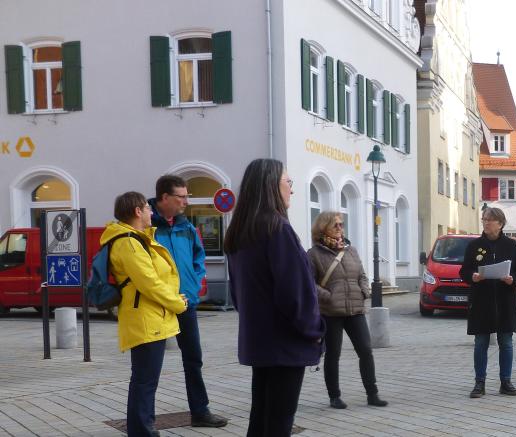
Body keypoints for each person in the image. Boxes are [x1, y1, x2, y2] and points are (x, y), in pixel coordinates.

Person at [225, 159, 324, 437]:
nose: (291, 190)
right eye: (288, 182)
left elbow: (237, 293)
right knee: (279, 422)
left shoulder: (241, 230)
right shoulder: (277, 230)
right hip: (285, 341)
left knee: (261, 418)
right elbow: (296, 293)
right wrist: (314, 331)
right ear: (272, 186)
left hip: (259, 338)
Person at [103, 191, 189, 437]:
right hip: (145, 318)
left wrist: (173, 298)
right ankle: (142, 430)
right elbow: (148, 282)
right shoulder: (128, 242)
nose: (152, 212)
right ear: (137, 211)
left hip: (152, 315)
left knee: (145, 379)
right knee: (144, 380)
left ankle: (142, 428)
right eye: (148, 209)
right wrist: (175, 303)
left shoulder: (138, 239)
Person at [147, 175, 228, 428]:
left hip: (185, 303)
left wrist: (192, 285)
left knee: (194, 358)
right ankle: (144, 421)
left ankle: (200, 412)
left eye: (186, 196)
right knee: (150, 367)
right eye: (181, 197)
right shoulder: (146, 226)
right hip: (157, 305)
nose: (186, 201)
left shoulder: (187, 227)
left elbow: (198, 257)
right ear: (164, 198)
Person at [307, 211, 388, 409]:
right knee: (333, 355)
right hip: (331, 312)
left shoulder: (351, 250)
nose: (340, 228)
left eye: (341, 224)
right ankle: (334, 396)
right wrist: (328, 297)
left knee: (366, 351)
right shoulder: (314, 254)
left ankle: (372, 394)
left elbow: (361, 274)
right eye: (335, 225)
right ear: (323, 227)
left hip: (355, 309)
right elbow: (309, 284)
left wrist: (364, 290)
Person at [459, 207, 516, 398]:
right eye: (484, 219)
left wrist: (512, 279)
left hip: (505, 301)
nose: (486, 223)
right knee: (480, 342)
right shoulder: (474, 246)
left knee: (506, 342)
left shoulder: (512, 246)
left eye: (490, 220)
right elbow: (463, 271)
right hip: (481, 301)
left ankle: (505, 382)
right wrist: (472, 277)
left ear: (500, 223)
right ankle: (479, 383)